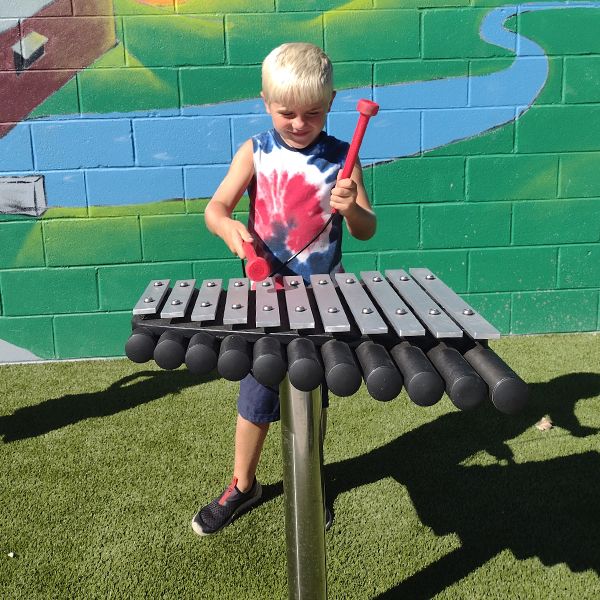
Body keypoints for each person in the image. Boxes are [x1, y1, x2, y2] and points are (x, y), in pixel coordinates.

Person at [192, 42, 376, 536]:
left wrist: (351, 205)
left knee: (310, 397)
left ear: (332, 102)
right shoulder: (256, 150)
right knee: (255, 396)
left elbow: (366, 229)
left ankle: (308, 481)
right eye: (286, 112)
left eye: (312, 113)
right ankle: (243, 482)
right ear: (265, 102)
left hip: (322, 301)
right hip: (266, 297)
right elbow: (216, 208)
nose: (298, 123)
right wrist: (229, 229)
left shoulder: (344, 158)